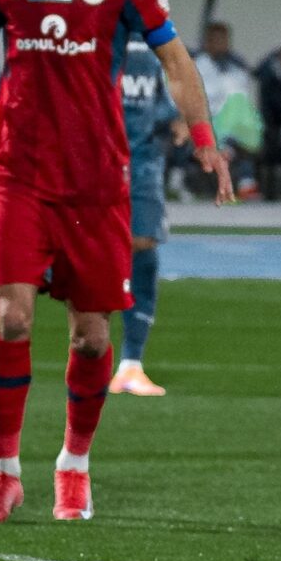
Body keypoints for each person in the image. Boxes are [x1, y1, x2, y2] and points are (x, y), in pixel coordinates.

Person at [0, 0, 232, 525]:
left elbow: (174, 59)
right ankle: (3, 472)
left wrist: (203, 135)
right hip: (18, 171)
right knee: (12, 316)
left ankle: (73, 466)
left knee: (90, 337)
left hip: (95, 179)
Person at [110, 24, 179, 398]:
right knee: (87, 260)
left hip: (142, 163)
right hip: (93, 161)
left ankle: (131, 363)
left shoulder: (156, 42)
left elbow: (170, 96)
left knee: (143, 250)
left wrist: (182, 121)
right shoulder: (86, 34)